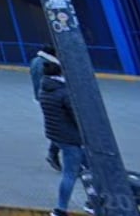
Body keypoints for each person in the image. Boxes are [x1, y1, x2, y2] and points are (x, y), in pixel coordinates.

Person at [38, 60, 85, 216]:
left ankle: (93, 200)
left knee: (88, 168)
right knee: (70, 174)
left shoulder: (44, 89)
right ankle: (60, 209)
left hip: (56, 134)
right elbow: (77, 116)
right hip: (70, 137)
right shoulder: (64, 93)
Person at [30, 45, 62, 171]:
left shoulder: (36, 61)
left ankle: (54, 153)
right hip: (53, 98)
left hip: (44, 98)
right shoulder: (46, 64)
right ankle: (53, 153)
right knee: (63, 127)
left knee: (60, 126)